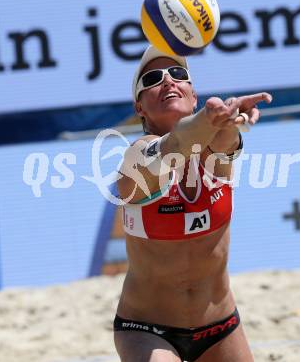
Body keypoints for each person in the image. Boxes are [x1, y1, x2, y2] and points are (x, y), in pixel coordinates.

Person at [114, 45, 272, 362]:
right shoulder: (136, 156)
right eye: (153, 79)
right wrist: (211, 118)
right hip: (147, 329)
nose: (168, 81)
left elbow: (226, 142)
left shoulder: (215, 152)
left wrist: (226, 122)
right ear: (139, 107)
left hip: (220, 325)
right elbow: (175, 144)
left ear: (193, 94)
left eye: (178, 74)